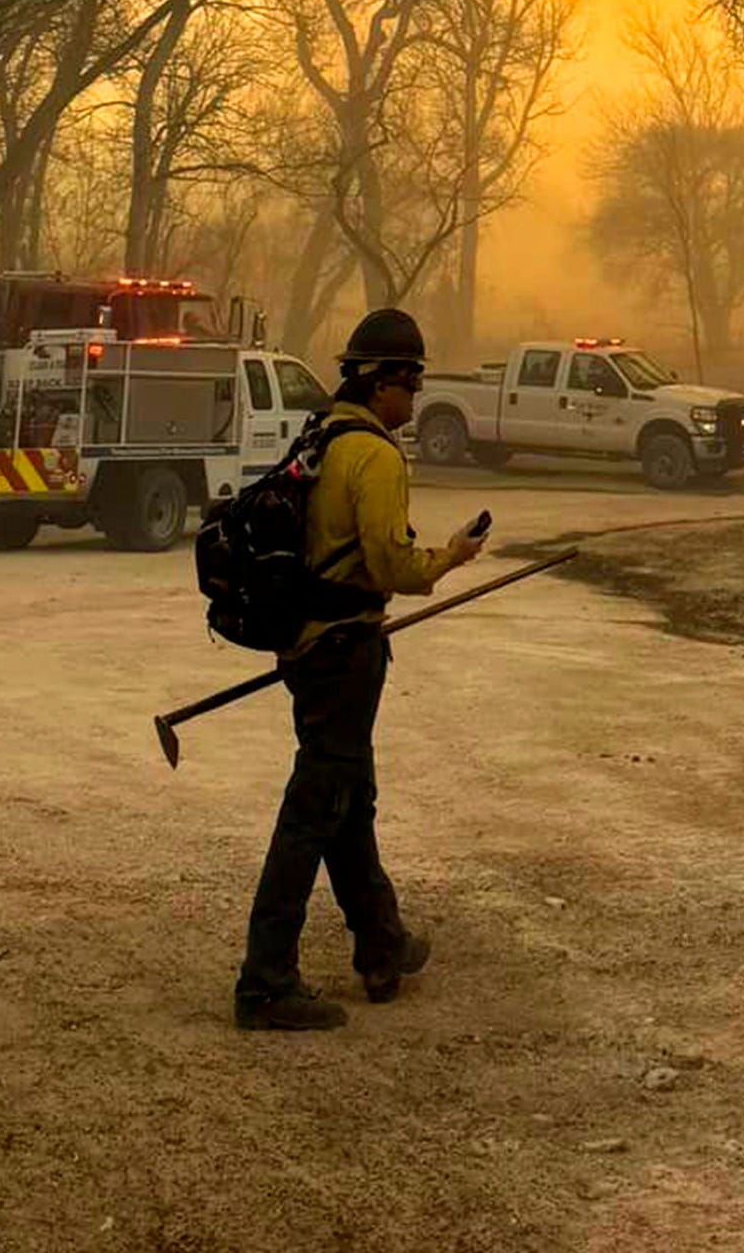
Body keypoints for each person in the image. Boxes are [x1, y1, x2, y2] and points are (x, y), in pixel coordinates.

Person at [234, 306, 486, 1033]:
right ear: (384, 384)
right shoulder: (375, 456)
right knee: (313, 814)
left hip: (309, 649)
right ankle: (264, 981)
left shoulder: (323, 436)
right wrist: (450, 557)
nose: (415, 399)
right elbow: (390, 565)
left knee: (348, 801)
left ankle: (382, 945)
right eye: (412, 383)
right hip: (345, 653)